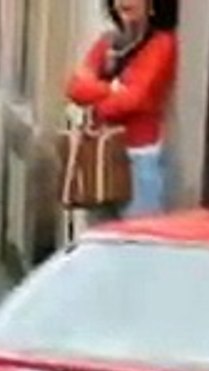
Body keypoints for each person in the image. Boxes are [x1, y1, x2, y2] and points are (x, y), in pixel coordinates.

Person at [65, 0, 178, 220]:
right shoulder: (107, 43)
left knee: (137, 239)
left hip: (138, 159)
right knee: (101, 240)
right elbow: (74, 87)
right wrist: (112, 89)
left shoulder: (162, 44)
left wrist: (98, 96)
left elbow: (132, 100)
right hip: (100, 155)